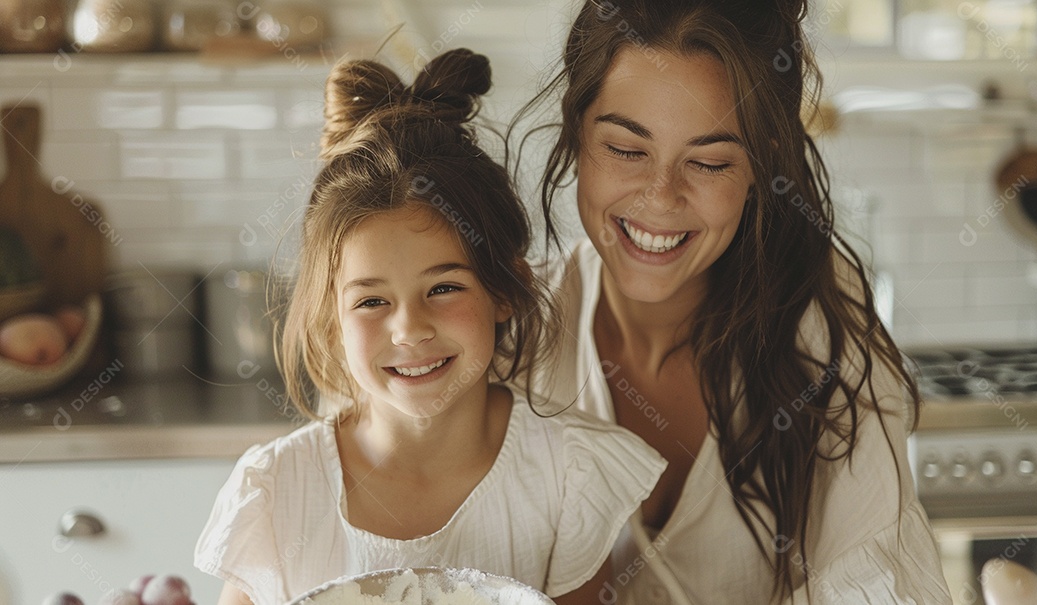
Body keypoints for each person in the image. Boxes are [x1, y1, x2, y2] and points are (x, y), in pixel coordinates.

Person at [514, 0, 952, 602]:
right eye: (626, 149)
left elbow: (878, 584)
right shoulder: (512, 337)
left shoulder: (825, 332)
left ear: (760, 164)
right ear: (577, 131)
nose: (661, 198)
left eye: (710, 162)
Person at [193, 49, 666, 605]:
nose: (410, 329)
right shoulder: (277, 491)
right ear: (329, 317)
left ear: (504, 290)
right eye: (371, 301)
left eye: (443, 288)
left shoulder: (569, 477)